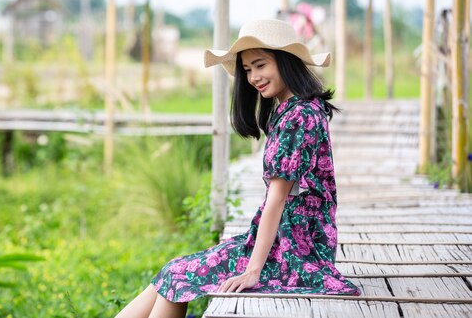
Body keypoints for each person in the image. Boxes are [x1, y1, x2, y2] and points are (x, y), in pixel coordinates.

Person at [115, 19, 360, 318]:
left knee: (178, 277)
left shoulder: (300, 115)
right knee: (173, 272)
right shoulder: (291, 110)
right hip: (284, 239)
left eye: (260, 65)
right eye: (247, 70)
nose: (254, 77)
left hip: (296, 250)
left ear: (286, 62)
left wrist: (252, 271)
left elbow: (278, 198)